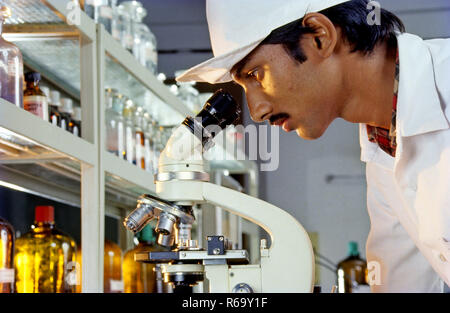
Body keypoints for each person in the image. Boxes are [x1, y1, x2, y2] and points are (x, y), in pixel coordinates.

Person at [176, 0, 450, 292]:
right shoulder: (382, 145)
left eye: (256, 74)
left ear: (320, 37)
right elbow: (402, 284)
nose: (256, 112)